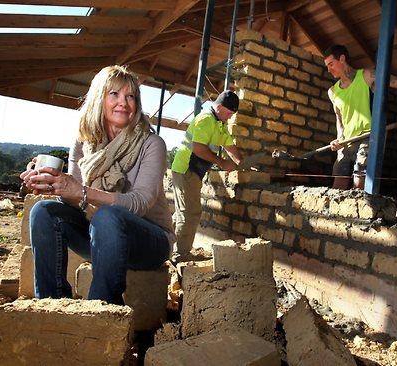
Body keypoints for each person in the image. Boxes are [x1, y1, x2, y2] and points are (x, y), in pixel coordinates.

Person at [19, 65, 174, 304]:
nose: (123, 102)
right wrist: (54, 184)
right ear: (98, 99)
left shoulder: (151, 143)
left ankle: (101, 312)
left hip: (149, 241)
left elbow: (140, 203)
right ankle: (52, 305)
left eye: (130, 96)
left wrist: (79, 191)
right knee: (44, 211)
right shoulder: (84, 143)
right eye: (114, 94)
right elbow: (73, 199)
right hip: (101, 236)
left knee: (108, 216)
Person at [323, 45, 397, 190]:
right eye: (327, 66)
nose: (329, 69)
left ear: (342, 59)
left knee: (360, 181)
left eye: (331, 64)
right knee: (338, 181)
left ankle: (358, 210)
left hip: (368, 137)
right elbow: (340, 120)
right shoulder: (333, 92)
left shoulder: (366, 76)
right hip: (347, 141)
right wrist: (340, 139)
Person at [170, 91, 243, 262]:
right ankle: (180, 255)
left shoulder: (220, 124)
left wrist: (242, 163)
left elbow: (230, 148)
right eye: (229, 113)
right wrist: (222, 163)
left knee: (181, 213)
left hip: (193, 171)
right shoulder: (206, 120)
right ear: (218, 107)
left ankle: (166, 246)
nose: (230, 117)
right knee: (190, 212)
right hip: (186, 168)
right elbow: (199, 149)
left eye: (233, 114)